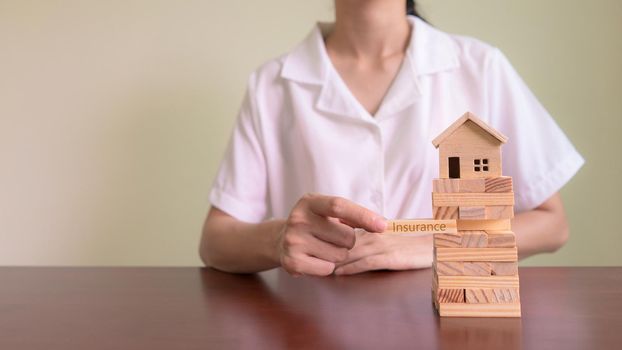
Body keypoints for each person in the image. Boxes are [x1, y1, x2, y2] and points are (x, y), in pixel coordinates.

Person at [199, 0, 584, 276]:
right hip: (311, 323)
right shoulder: (272, 84)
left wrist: (433, 243)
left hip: (446, 317)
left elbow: (552, 225)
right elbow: (216, 241)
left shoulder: (480, 67)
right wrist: (278, 238)